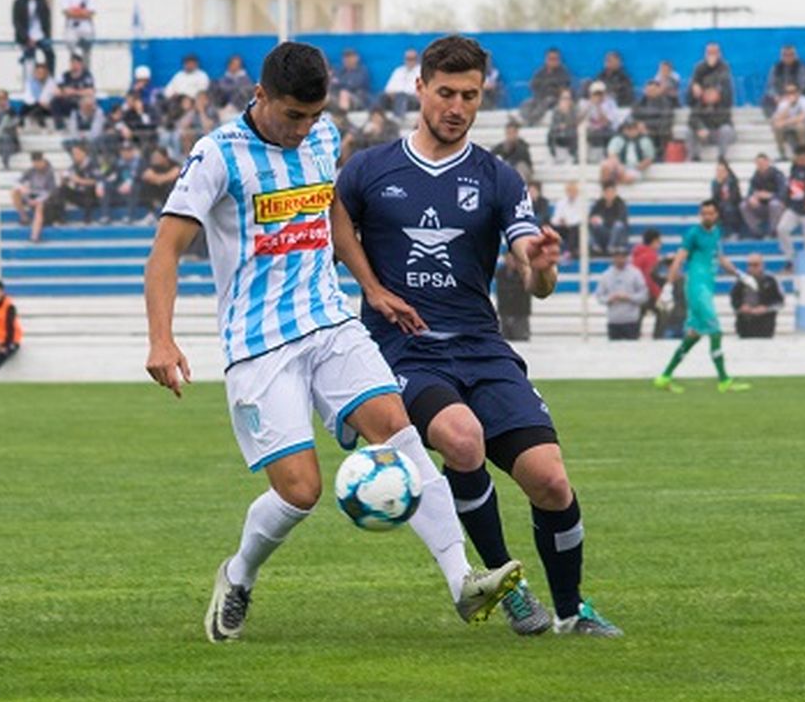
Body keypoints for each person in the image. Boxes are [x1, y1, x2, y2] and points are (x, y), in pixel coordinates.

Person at [144, 40, 524, 643]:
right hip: (260, 343)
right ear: (261, 96)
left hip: (330, 322)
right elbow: (166, 249)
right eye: (293, 115)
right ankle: (238, 575)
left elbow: (330, 222)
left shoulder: (322, 140)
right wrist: (161, 340)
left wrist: (369, 287)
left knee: (396, 429)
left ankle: (462, 581)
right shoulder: (217, 156)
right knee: (301, 493)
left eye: (314, 115)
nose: (304, 129)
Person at [332, 33, 618, 637]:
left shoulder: (499, 178)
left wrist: (541, 265)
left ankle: (571, 612)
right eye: (445, 93)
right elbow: (334, 224)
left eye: (470, 95)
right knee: (460, 439)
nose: (457, 106)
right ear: (420, 88)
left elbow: (533, 276)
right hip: (404, 350)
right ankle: (503, 583)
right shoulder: (369, 170)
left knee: (550, 479)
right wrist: (375, 292)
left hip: (482, 347)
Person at [653, 199, 752, 394]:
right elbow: (679, 259)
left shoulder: (716, 233)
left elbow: (720, 258)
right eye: (704, 213)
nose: (707, 216)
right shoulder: (693, 234)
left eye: (710, 213)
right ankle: (724, 380)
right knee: (715, 331)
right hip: (697, 289)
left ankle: (664, 377)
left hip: (707, 287)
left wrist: (740, 274)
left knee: (694, 335)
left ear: (716, 215)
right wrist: (668, 287)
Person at [594, 245, 650, 340]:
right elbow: (599, 296)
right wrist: (610, 299)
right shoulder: (606, 275)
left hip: (631, 320)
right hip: (614, 320)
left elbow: (644, 294)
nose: (620, 259)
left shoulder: (635, 273)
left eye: (622, 256)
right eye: (617, 256)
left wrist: (629, 297)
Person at [730, 254, 784, 338]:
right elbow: (734, 299)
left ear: (762, 265)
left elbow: (780, 302)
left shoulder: (771, 280)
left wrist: (766, 308)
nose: (752, 268)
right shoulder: (740, 281)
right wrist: (741, 306)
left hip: (765, 326)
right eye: (749, 265)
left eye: (755, 265)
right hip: (744, 327)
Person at [11, 0, 55, 73]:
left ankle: (50, 78)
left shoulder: (41, 1)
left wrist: (47, 35)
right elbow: (16, 22)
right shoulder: (19, 2)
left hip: (40, 35)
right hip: (26, 37)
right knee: (30, 57)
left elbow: (47, 20)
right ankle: (30, 81)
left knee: (50, 54)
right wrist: (26, 38)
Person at [12, 151, 58, 243]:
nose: (36, 166)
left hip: (46, 198)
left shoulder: (50, 172)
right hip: (33, 194)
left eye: (38, 163)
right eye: (34, 164)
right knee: (14, 192)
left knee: (39, 205)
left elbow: (51, 191)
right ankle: (24, 217)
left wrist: (38, 199)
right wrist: (23, 188)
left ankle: (35, 235)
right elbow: (17, 182)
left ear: (42, 161)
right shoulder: (31, 170)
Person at [519, 47, 573, 125]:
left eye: (555, 59)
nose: (553, 61)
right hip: (539, 97)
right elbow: (533, 84)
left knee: (546, 101)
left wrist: (550, 85)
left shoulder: (563, 72)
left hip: (555, 98)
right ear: (546, 59)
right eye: (550, 59)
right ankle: (526, 119)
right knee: (526, 103)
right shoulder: (540, 71)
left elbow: (564, 88)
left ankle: (531, 121)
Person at [741, 153, 785, 239]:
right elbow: (750, 192)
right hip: (761, 206)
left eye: (762, 163)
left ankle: (773, 231)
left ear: (768, 162)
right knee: (743, 205)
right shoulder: (755, 176)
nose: (760, 166)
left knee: (774, 204)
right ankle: (756, 230)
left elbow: (783, 193)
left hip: (776, 207)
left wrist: (770, 196)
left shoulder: (778, 175)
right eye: (758, 164)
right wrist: (752, 198)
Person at [600, 116, 655, 185]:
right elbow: (612, 155)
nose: (631, 130)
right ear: (624, 129)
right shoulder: (617, 139)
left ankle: (611, 186)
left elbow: (649, 158)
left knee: (628, 177)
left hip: (635, 169)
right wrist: (619, 167)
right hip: (619, 168)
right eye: (629, 128)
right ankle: (608, 188)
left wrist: (638, 167)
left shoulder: (645, 141)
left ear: (637, 129)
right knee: (605, 166)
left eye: (634, 128)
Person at [760, 44, 805, 119]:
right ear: (781, 56)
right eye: (785, 55)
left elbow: (803, 84)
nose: (788, 57)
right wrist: (776, 96)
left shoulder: (800, 67)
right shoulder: (775, 67)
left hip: (795, 95)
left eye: (790, 55)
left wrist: (793, 96)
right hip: (779, 95)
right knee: (766, 99)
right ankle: (773, 118)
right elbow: (770, 84)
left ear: (795, 55)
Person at [102, 139, 144, 223]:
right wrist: (101, 183)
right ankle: (105, 215)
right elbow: (107, 174)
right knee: (106, 185)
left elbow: (141, 175)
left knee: (135, 186)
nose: (125, 153)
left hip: (136, 187)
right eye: (123, 151)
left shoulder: (140, 161)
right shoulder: (117, 162)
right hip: (120, 187)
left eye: (128, 150)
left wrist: (129, 183)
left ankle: (129, 215)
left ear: (133, 151)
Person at [494, 249, 531, 342]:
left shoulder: (524, 272)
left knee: (520, 336)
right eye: (508, 258)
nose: (510, 261)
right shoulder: (500, 272)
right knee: (505, 336)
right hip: (505, 308)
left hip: (520, 309)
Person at [60, 142, 103, 224]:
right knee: (62, 189)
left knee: (88, 188)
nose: (74, 156)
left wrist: (79, 180)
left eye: (76, 153)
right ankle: (61, 217)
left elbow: (98, 181)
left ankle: (87, 218)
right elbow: (67, 179)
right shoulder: (74, 166)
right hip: (80, 196)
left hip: (92, 198)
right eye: (73, 154)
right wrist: (63, 178)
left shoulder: (93, 164)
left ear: (84, 153)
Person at [769, 80, 805, 157]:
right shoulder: (784, 103)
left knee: (800, 127)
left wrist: (784, 122)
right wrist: (788, 105)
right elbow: (778, 118)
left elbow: (801, 118)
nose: (790, 94)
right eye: (788, 92)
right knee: (777, 126)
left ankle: (803, 152)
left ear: (798, 92)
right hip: (789, 124)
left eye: (793, 91)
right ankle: (782, 153)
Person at [61, 0, 96, 64]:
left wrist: (75, 11)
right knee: (74, 54)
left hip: (86, 30)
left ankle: (86, 75)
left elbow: (90, 13)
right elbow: (67, 13)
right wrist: (82, 13)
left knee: (87, 54)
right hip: (72, 29)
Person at [136, 144, 180, 217]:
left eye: (157, 157)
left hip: (170, 192)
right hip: (157, 189)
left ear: (165, 157)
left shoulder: (174, 164)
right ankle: (151, 214)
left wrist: (158, 179)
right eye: (154, 157)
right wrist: (160, 179)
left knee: (171, 185)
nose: (154, 159)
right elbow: (146, 175)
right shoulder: (153, 165)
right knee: (145, 185)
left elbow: (174, 174)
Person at [161, 54, 210, 120]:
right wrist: (172, 95)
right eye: (187, 63)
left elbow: (202, 91)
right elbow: (168, 90)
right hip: (178, 99)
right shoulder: (179, 75)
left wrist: (188, 96)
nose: (189, 65)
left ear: (196, 64)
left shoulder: (202, 75)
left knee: (188, 101)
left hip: (194, 100)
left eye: (192, 63)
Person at [378, 48, 421, 120]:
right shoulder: (399, 70)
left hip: (413, 100)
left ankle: (398, 120)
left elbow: (415, 90)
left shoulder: (420, 71)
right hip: (396, 98)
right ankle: (379, 119)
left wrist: (398, 92)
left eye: (412, 58)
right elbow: (388, 88)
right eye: (408, 58)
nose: (410, 61)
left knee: (401, 95)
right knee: (382, 96)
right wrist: (392, 93)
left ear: (417, 59)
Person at [588, 180, 629, 254]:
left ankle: (611, 248)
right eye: (607, 192)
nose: (609, 194)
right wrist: (594, 219)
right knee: (592, 224)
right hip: (603, 233)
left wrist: (603, 220)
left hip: (616, 234)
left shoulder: (620, 203)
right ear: (604, 193)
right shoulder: (599, 203)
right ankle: (595, 247)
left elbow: (622, 219)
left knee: (618, 225)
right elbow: (591, 216)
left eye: (611, 192)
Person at [631, 77, 675, 145]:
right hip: (639, 129)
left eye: (652, 90)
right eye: (647, 90)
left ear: (658, 90)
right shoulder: (641, 102)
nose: (649, 92)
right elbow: (634, 115)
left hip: (656, 131)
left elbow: (666, 120)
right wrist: (638, 124)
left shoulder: (665, 103)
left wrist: (646, 126)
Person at [53, 53, 94, 123]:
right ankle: (59, 124)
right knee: (54, 101)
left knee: (88, 101)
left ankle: (85, 123)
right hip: (67, 100)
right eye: (72, 63)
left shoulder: (87, 76)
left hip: (80, 100)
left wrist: (74, 92)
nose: (73, 65)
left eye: (76, 63)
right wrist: (64, 91)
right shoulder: (64, 75)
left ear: (81, 64)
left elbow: (90, 91)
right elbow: (56, 90)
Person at [710, 159, 745, 238]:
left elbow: (735, 197)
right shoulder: (715, 182)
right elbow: (715, 198)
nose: (719, 173)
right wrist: (719, 185)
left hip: (733, 205)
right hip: (720, 205)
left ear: (726, 171)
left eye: (722, 171)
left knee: (728, 209)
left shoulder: (733, 181)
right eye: (718, 171)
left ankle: (732, 232)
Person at [331, 48, 372, 112]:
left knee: (344, 93)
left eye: (350, 57)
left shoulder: (362, 70)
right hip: (338, 97)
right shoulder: (339, 71)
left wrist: (340, 82)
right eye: (345, 57)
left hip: (358, 98)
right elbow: (332, 84)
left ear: (356, 58)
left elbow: (355, 85)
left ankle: (343, 116)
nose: (347, 59)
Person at [550, 180, 584, 257]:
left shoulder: (581, 202)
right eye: (569, 191)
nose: (571, 193)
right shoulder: (561, 202)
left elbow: (581, 219)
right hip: (563, 228)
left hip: (575, 228)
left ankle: (569, 252)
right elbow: (554, 219)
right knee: (551, 227)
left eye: (573, 191)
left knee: (574, 229)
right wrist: (560, 221)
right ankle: (552, 252)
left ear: (577, 192)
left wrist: (567, 222)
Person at [545, 88, 579, 162]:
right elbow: (553, 126)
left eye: (568, 98)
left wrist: (566, 113)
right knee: (550, 134)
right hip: (559, 137)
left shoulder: (575, 110)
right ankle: (553, 155)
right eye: (564, 98)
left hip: (571, 137)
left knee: (574, 133)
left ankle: (572, 156)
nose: (566, 101)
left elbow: (575, 123)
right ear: (559, 99)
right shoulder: (556, 111)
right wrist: (560, 126)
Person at [21, 60, 58, 126]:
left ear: (46, 73)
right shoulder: (30, 82)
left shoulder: (52, 82)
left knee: (41, 109)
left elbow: (52, 97)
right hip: (35, 105)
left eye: (42, 72)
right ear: (35, 72)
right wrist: (39, 102)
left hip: (48, 107)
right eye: (38, 72)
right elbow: (27, 98)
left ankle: (42, 125)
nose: (40, 74)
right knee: (24, 107)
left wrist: (45, 104)